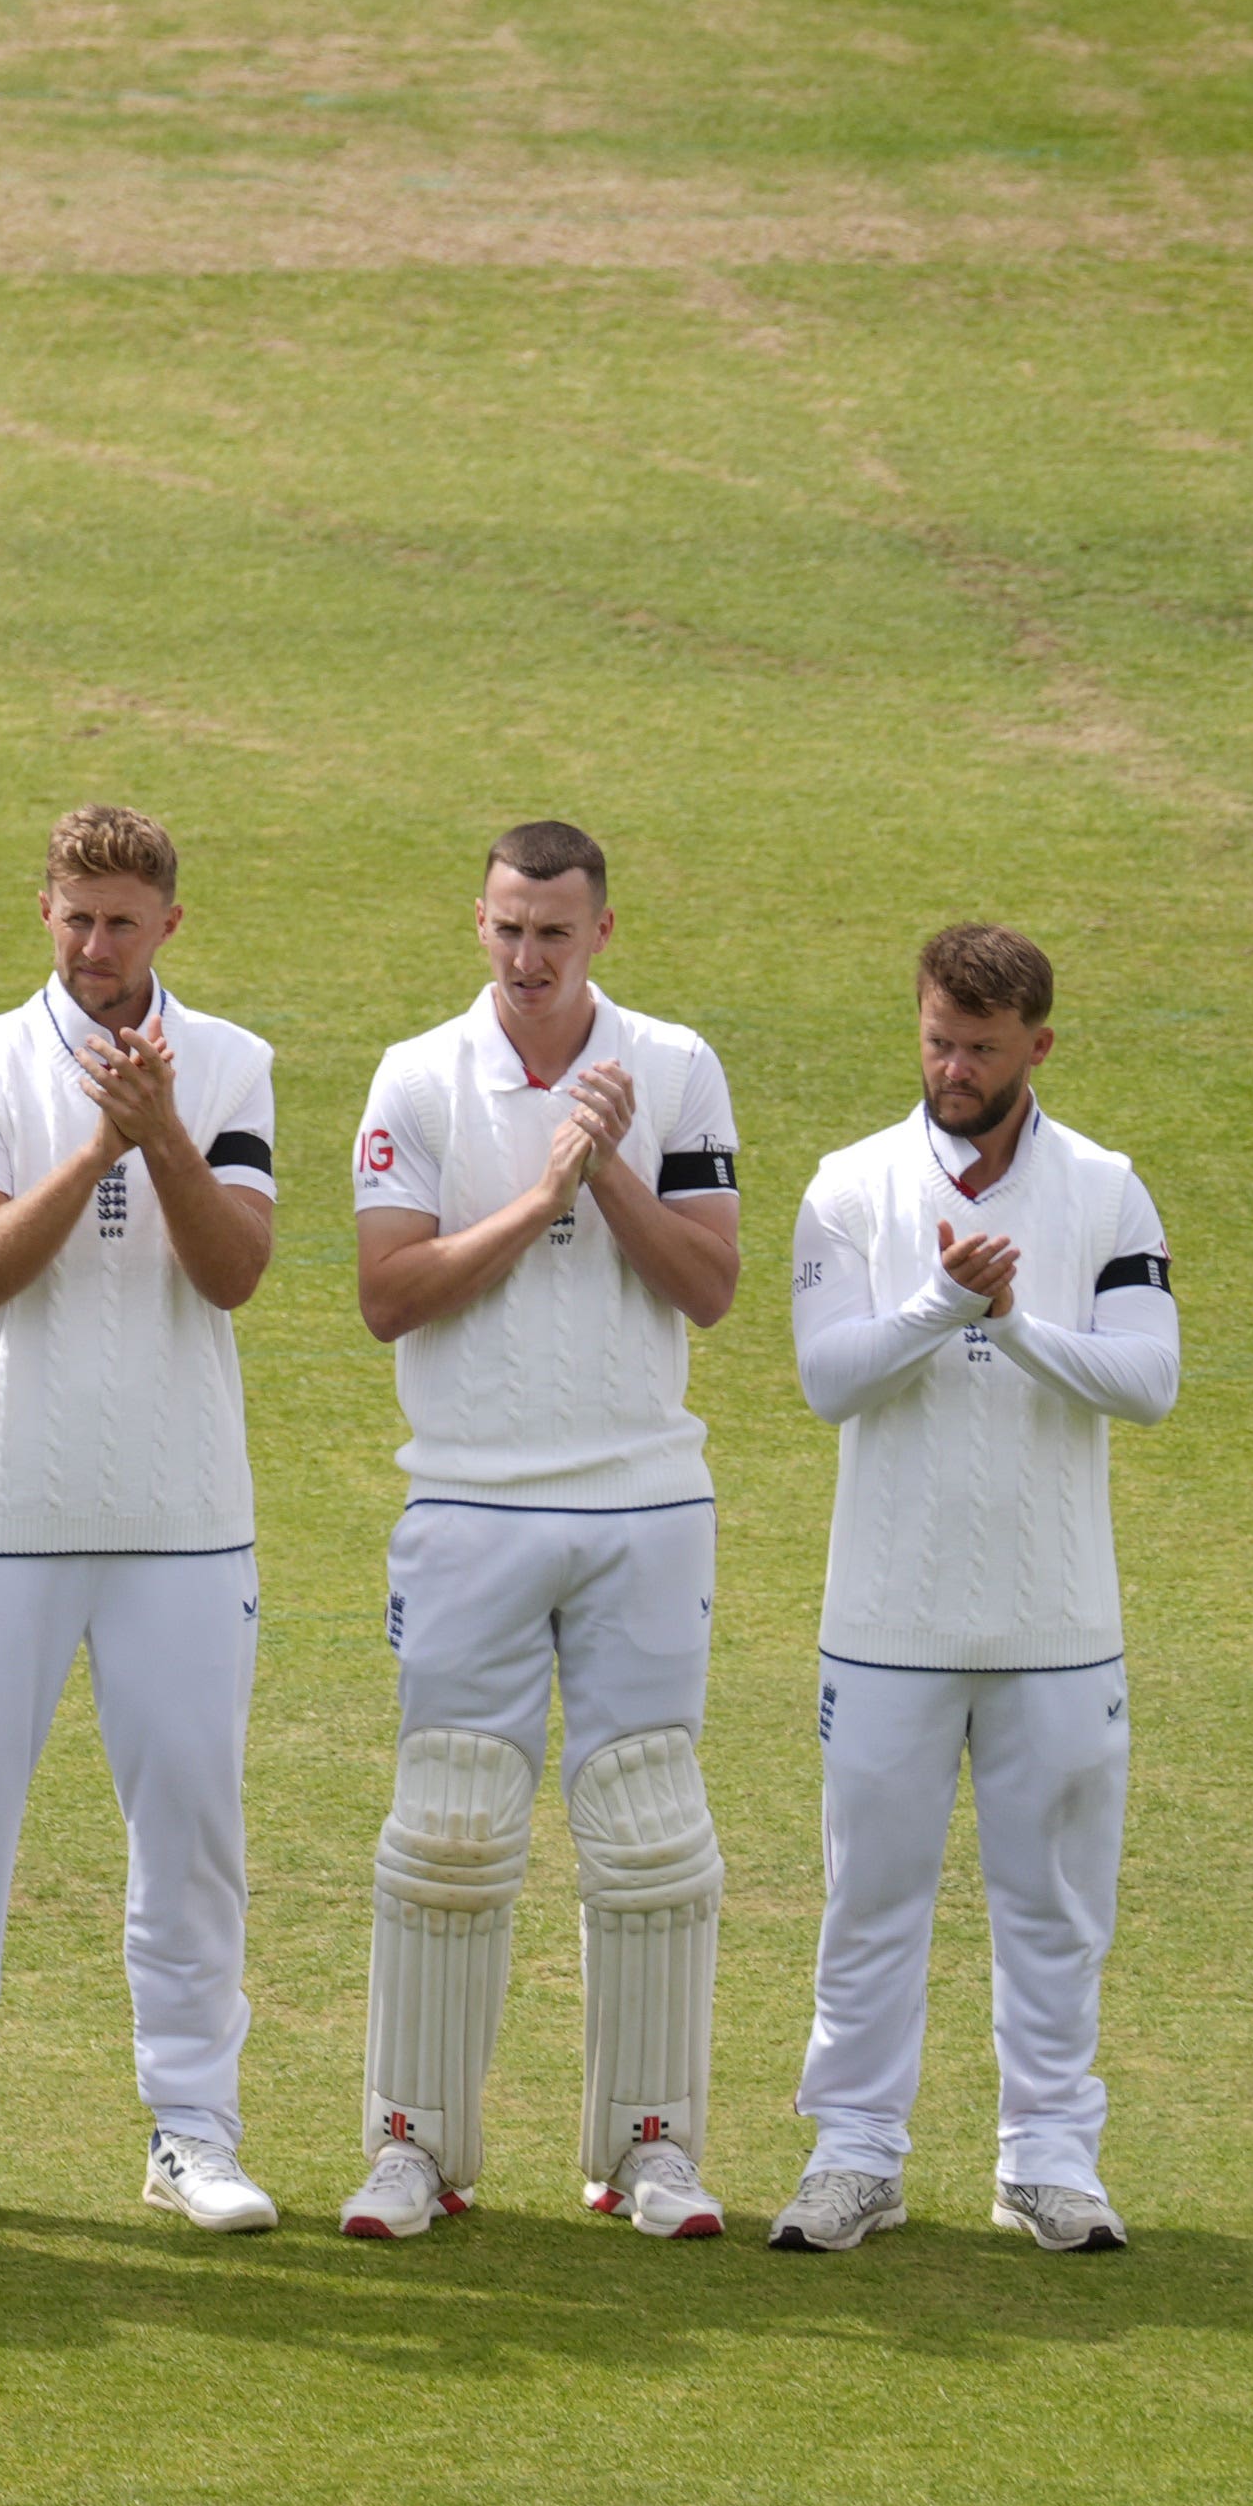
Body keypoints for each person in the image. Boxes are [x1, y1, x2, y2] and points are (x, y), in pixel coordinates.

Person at [0, 805, 286, 2240]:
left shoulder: (232, 1066)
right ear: (43, 911)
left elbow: (233, 1272)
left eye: (123, 921)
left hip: (182, 1518)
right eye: (75, 918)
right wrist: (103, 1142)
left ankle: (195, 2134)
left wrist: (164, 1131)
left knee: (191, 1840)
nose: (97, 945)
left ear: (169, 923)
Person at [338, 822, 749, 2244]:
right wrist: (540, 1194)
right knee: (450, 1821)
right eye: (508, 930)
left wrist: (613, 1169)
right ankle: (411, 2150)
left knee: (647, 1827)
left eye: (554, 936)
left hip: (643, 1499)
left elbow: (710, 1288)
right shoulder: (416, 1075)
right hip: (469, 1497)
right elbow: (391, 1294)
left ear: (601, 936)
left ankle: (653, 2152)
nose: (527, 959)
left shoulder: (679, 1068)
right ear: (481, 922)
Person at [773, 925, 1176, 2254]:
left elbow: (1151, 1379)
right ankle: (853, 2158)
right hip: (888, 1619)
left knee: (1055, 1910)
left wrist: (1012, 1324)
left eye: (982, 1049)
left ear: (1038, 1048)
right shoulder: (850, 1186)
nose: (954, 1067)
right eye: (939, 1038)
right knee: (869, 1898)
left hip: (1059, 1625)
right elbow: (831, 1380)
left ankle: (1050, 2161)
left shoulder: (1109, 1189)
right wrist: (944, 1305)